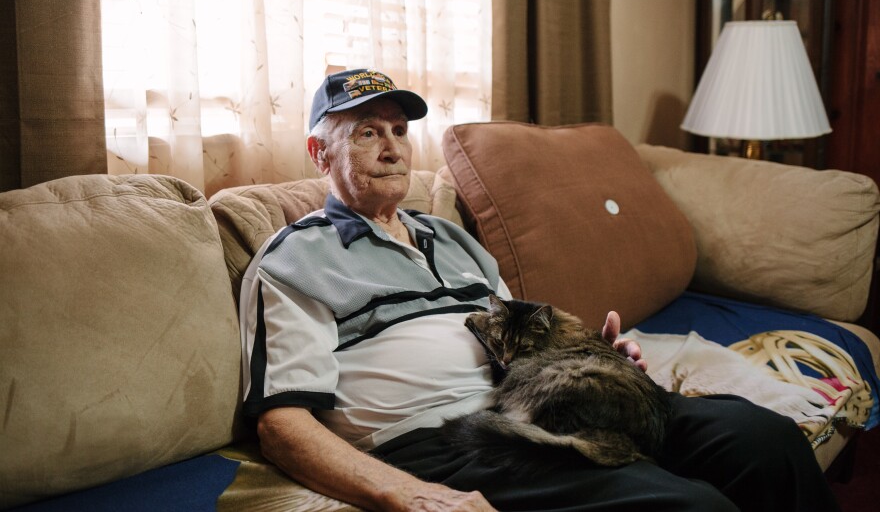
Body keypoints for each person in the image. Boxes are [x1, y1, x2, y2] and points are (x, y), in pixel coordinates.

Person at [239, 68, 839, 511]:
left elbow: (518, 338)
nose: (394, 149)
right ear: (321, 153)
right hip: (446, 438)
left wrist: (587, 355)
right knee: (691, 506)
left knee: (764, 439)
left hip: (539, 403)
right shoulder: (297, 258)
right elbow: (281, 423)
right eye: (368, 133)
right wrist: (407, 494)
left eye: (399, 129)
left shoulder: (450, 238)